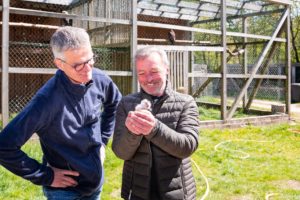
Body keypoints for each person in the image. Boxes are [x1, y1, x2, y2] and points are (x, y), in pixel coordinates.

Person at [0, 26, 121, 199]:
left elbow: (114, 104)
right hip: (64, 192)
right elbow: (4, 146)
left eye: (90, 59)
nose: (87, 69)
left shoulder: (99, 79)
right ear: (59, 64)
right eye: (78, 65)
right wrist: (45, 175)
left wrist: (102, 141)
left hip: (95, 184)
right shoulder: (46, 101)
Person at [112, 46, 200, 200]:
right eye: (142, 73)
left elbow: (188, 146)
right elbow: (120, 152)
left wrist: (155, 129)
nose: (148, 79)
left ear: (167, 69)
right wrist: (133, 132)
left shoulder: (186, 103)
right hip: (137, 191)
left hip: (176, 192)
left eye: (154, 72)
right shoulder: (126, 104)